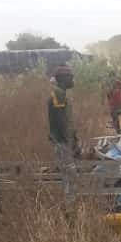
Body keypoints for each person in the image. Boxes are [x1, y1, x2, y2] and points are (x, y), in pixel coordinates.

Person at [48, 65, 79, 199]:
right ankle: (69, 205)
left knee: (69, 174)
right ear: (62, 78)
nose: (72, 78)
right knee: (70, 174)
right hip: (62, 141)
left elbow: (66, 119)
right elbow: (60, 120)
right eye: (70, 76)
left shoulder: (60, 93)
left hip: (64, 140)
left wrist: (74, 139)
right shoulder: (58, 93)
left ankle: (69, 203)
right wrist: (69, 140)